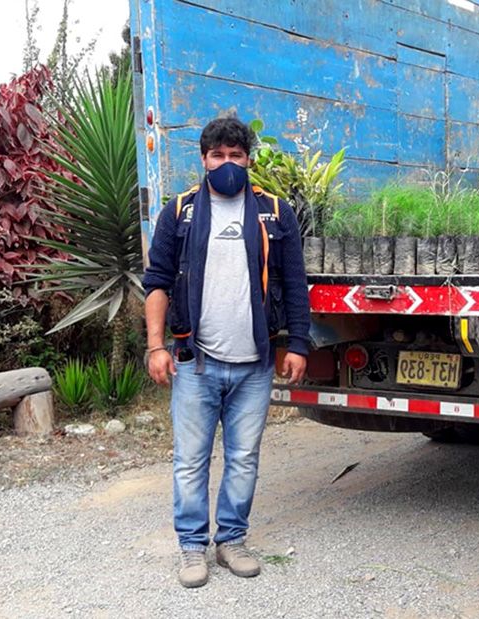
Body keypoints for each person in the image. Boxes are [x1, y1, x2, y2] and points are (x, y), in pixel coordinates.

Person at [142, 116, 311, 588]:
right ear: (204, 159)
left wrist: (298, 343)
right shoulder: (180, 212)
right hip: (195, 362)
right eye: (217, 155)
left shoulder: (274, 212)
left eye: (235, 155)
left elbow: (295, 284)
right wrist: (155, 346)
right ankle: (192, 547)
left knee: (243, 458)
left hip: (255, 364)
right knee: (190, 460)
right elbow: (157, 282)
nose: (227, 163)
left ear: (248, 160)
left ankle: (232, 540)